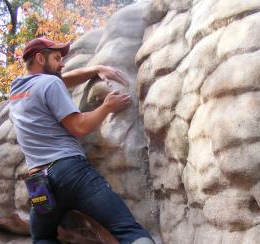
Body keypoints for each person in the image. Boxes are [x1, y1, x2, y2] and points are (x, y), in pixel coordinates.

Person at [9, 37, 154, 244]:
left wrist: (95, 69)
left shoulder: (16, 92)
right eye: (57, 58)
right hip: (70, 172)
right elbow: (79, 127)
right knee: (127, 229)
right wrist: (107, 106)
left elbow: (62, 79)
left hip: (39, 183)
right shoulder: (49, 83)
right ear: (40, 58)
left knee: (42, 237)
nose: (62, 63)